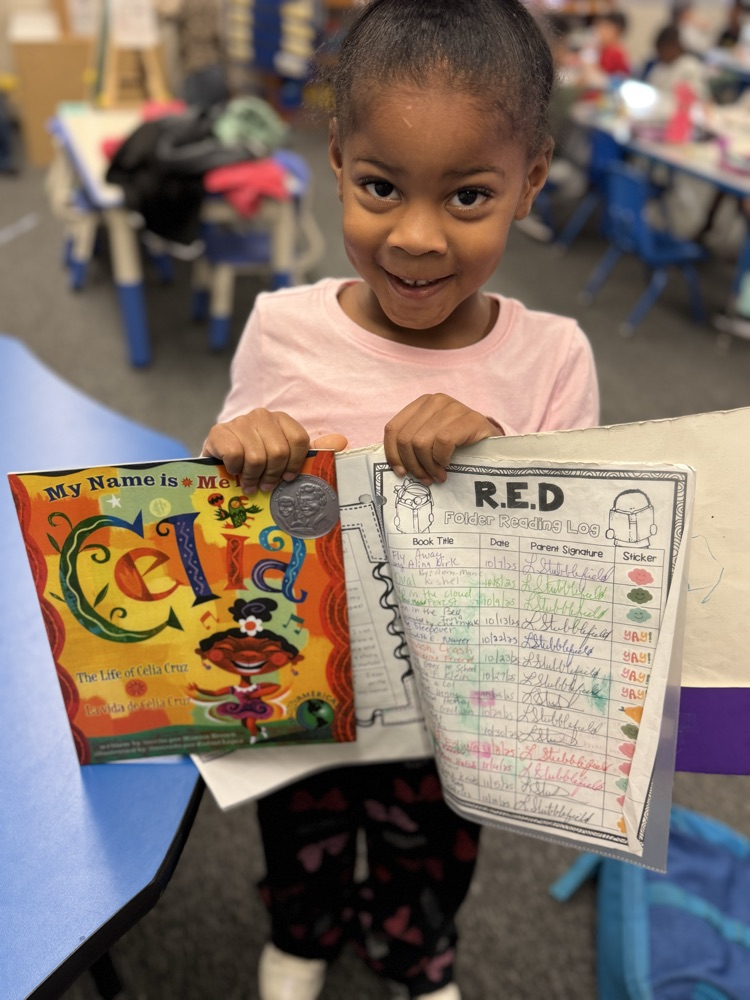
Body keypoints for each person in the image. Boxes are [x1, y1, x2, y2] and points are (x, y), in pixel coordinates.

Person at [202, 2, 600, 998]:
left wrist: (497, 452)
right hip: (308, 688)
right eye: (381, 187)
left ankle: (416, 955)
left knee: (433, 847)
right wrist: (239, 450)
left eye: (468, 196)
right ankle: (302, 934)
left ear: (531, 180)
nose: (417, 239)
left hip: (458, 705)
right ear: (337, 162)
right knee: (300, 829)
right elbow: (222, 514)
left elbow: (583, 563)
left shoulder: (554, 358)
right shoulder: (282, 329)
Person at [645, 23, 710, 100]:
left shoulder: (690, 66)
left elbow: (698, 96)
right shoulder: (660, 67)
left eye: (662, 50)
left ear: (675, 46)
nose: (659, 56)